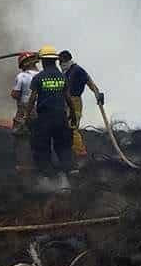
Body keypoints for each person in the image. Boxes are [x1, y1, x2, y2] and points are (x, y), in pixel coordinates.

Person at [24, 45, 74, 177]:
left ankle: (47, 177)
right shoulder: (63, 77)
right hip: (61, 117)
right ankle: (69, 174)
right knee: (63, 147)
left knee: (42, 147)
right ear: (55, 60)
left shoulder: (39, 78)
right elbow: (68, 98)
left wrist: (26, 116)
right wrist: (73, 114)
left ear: (43, 61)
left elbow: (32, 99)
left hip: (45, 118)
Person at [58, 50, 105, 160]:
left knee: (72, 127)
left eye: (61, 62)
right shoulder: (66, 72)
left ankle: (80, 153)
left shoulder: (77, 70)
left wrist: (97, 94)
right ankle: (70, 152)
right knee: (64, 127)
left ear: (66, 61)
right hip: (65, 101)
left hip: (75, 102)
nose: (60, 64)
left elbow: (90, 82)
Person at [11, 52, 39, 172]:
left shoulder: (22, 76)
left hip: (24, 109)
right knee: (38, 135)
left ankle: (22, 165)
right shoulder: (42, 75)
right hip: (41, 109)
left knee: (20, 135)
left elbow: (16, 94)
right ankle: (38, 163)